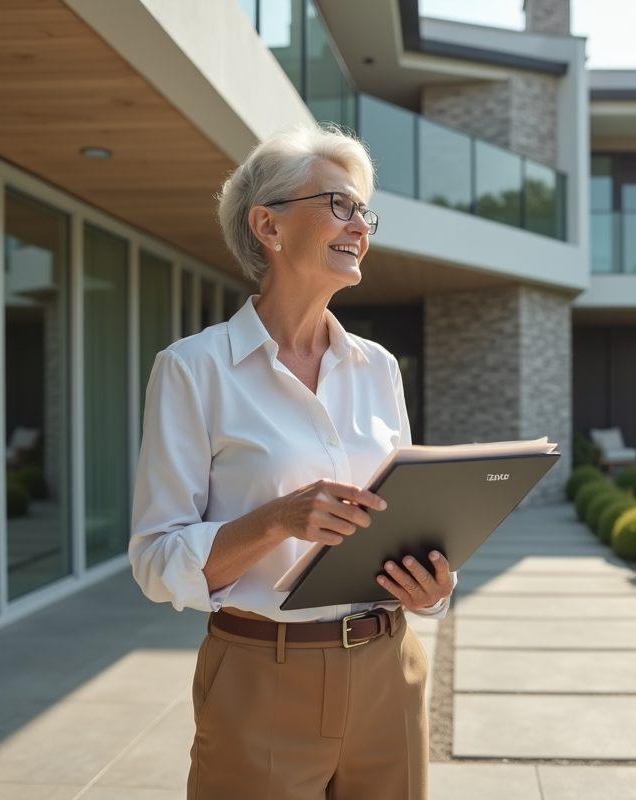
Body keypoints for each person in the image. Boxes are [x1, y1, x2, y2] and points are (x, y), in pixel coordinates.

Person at [129, 124, 456, 800]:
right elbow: (157, 563)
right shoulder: (194, 369)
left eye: (364, 211)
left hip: (388, 668)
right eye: (339, 204)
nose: (359, 225)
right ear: (268, 226)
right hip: (261, 676)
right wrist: (277, 519)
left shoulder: (378, 368)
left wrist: (432, 586)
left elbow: (396, 517)